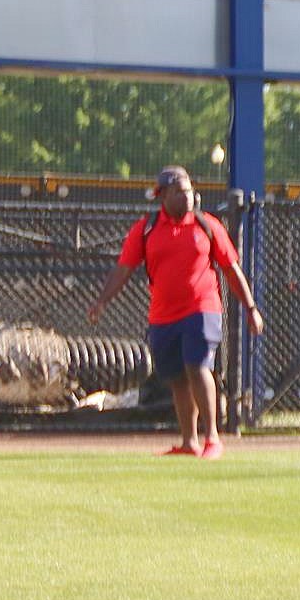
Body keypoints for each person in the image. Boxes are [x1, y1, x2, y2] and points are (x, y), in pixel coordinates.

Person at [87, 166, 264, 457]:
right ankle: (189, 442)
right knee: (176, 377)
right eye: (181, 191)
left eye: (190, 190)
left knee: (198, 366)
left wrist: (251, 308)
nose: (190, 196)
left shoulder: (207, 225)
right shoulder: (146, 228)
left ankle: (212, 438)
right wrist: (102, 302)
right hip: (163, 316)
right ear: (164, 194)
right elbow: (123, 269)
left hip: (202, 308)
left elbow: (231, 269)